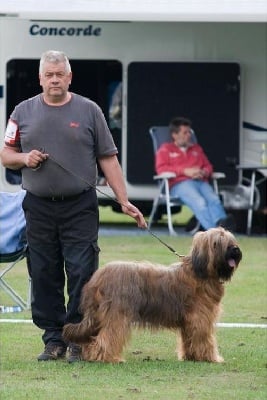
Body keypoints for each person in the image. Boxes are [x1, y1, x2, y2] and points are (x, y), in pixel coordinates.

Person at [0, 50, 146, 363]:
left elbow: (108, 158)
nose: (54, 79)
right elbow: (6, 154)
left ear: (69, 77)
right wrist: (25, 158)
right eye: (48, 75)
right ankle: (53, 340)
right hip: (38, 206)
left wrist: (124, 200)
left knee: (82, 271)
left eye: (60, 74)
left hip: (80, 205)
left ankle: (78, 339)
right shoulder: (22, 112)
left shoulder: (89, 110)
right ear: (40, 78)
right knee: (43, 273)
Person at [155, 117, 235, 233]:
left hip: (200, 181)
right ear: (174, 134)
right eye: (185, 132)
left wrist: (203, 172)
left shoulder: (196, 148)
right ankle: (215, 232)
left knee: (214, 199)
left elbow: (208, 166)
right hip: (180, 184)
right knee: (200, 202)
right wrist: (185, 171)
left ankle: (223, 227)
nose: (189, 135)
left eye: (189, 132)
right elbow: (161, 169)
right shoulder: (165, 149)